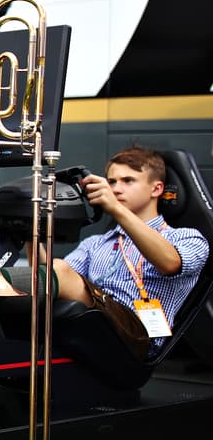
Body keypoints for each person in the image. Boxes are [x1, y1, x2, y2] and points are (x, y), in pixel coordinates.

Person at [11, 146, 208, 362]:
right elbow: (54, 279)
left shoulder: (187, 237)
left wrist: (116, 209)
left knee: (60, 271)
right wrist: (32, 233)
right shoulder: (96, 243)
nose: (116, 188)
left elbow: (170, 263)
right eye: (112, 181)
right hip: (98, 325)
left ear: (156, 189)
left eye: (128, 180)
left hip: (139, 336)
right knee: (54, 273)